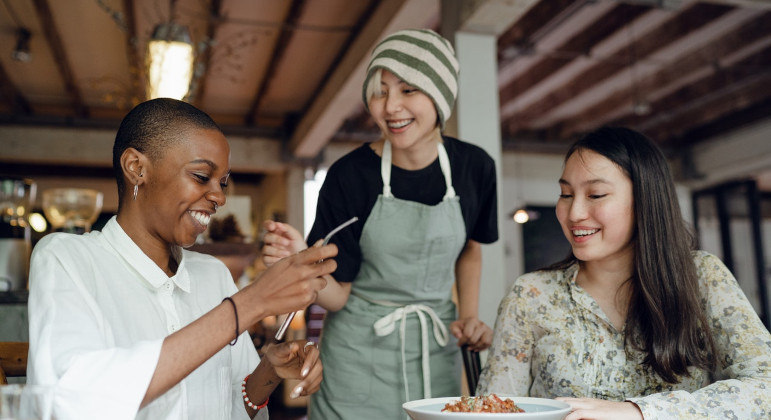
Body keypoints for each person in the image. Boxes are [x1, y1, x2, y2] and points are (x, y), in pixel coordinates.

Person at [27, 98, 338, 420]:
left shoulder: (213, 274)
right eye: (202, 176)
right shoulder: (67, 259)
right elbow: (71, 400)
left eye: (223, 182)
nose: (219, 196)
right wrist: (250, 303)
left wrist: (268, 372)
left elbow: (232, 410)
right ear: (136, 168)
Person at [261, 29, 498, 418]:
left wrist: (468, 316)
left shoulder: (475, 168)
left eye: (408, 90)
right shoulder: (350, 176)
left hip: (434, 349)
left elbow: (470, 247)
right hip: (356, 358)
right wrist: (299, 261)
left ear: (440, 95)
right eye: (379, 91)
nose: (390, 107)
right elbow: (337, 296)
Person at [477, 126, 771, 419]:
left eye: (596, 194)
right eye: (565, 194)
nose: (574, 212)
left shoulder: (701, 275)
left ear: (646, 200)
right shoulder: (531, 294)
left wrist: (639, 412)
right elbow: (491, 412)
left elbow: (765, 386)